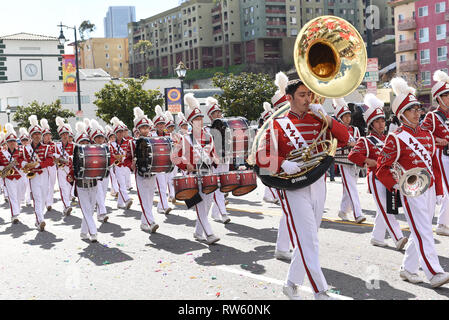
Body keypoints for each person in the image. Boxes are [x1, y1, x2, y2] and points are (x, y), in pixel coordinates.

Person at [256, 78, 350, 300]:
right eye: (302, 95)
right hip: (293, 187)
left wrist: (326, 117)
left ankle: (291, 284)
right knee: (309, 240)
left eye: (309, 94)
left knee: (309, 238)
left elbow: (345, 139)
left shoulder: (318, 120)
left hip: (318, 183)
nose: (308, 99)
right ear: (289, 99)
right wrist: (282, 163)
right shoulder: (277, 124)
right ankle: (321, 291)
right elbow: (261, 156)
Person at [376, 77, 449, 288]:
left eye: (418, 108)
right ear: (401, 114)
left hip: (428, 188)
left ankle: (408, 268)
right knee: (424, 230)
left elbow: (433, 164)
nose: (418, 112)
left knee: (421, 229)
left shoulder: (426, 135)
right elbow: (382, 168)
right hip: (411, 190)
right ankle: (434, 272)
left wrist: (438, 191)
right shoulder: (396, 138)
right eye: (412, 109)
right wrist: (398, 185)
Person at [348, 93, 408, 250]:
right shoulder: (366, 140)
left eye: (383, 120)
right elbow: (353, 155)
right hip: (375, 178)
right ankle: (398, 238)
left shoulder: (389, 138)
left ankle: (377, 237)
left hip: (390, 177)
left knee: (385, 208)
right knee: (386, 209)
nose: (381, 124)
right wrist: (369, 161)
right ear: (371, 124)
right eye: (377, 122)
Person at [171, 93, 221, 245]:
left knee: (207, 205)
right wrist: (186, 164)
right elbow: (173, 157)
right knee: (200, 205)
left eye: (200, 118)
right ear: (191, 122)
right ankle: (210, 234)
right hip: (193, 176)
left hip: (208, 175)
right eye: (195, 119)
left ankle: (198, 232)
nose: (199, 121)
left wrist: (216, 160)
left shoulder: (209, 137)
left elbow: (214, 156)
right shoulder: (184, 138)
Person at [421, 70, 449, 236]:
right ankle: (442, 224)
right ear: (439, 98)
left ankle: (444, 223)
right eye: (446, 96)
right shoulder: (432, 116)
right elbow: (422, 134)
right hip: (441, 156)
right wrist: (437, 140)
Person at [333, 98, 366, 224]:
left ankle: (343, 210)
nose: (348, 119)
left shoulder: (355, 130)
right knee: (351, 187)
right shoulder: (336, 130)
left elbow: (360, 144)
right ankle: (358, 213)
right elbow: (333, 147)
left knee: (350, 188)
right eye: (344, 116)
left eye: (348, 116)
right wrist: (348, 144)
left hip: (355, 161)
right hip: (343, 161)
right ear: (340, 117)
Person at [127, 107, 159, 233]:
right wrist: (131, 164)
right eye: (142, 128)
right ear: (138, 130)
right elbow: (127, 158)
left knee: (150, 199)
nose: (145, 130)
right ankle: (151, 222)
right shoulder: (133, 143)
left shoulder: (154, 141)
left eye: (147, 127)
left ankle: (144, 223)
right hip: (140, 174)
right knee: (143, 199)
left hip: (152, 173)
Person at [68, 122, 99, 243]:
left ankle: (83, 231)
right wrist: (70, 178)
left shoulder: (94, 155)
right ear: (78, 144)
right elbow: (70, 173)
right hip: (81, 186)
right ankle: (93, 232)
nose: (85, 144)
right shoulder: (73, 157)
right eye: (82, 143)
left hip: (93, 185)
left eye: (87, 142)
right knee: (86, 209)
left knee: (90, 210)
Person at [20, 115, 52, 231]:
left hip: (44, 174)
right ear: (31, 136)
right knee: (37, 198)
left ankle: (38, 218)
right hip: (33, 176)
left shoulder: (47, 147)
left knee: (43, 197)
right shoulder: (25, 149)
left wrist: (39, 164)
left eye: (39, 134)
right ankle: (40, 220)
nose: (37, 136)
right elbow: (19, 159)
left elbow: (51, 161)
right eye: (35, 134)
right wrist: (24, 164)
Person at [205, 96, 231, 225]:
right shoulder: (207, 130)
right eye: (215, 113)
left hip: (225, 158)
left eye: (219, 112)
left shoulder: (227, 127)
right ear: (210, 116)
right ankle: (223, 213)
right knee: (217, 186)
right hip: (214, 162)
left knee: (224, 185)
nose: (219, 114)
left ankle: (215, 213)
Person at [152, 105, 172, 215]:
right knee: (162, 186)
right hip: (156, 165)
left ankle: (160, 207)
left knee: (164, 186)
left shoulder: (168, 135)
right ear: (155, 125)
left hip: (166, 164)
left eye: (163, 124)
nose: (161, 126)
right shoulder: (152, 135)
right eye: (159, 124)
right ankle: (165, 206)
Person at [0, 125, 23, 224]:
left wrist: (20, 164)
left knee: (18, 196)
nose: (12, 143)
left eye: (14, 141)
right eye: (10, 141)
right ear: (7, 143)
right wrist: (4, 169)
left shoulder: (21, 152)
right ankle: (14, 215)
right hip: (8, 177)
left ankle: (16, 210)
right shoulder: (2, 153)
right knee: (12, 196)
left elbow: (24, 162)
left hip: (20, 177)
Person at [109, 117, 133, 210]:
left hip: (126, 166)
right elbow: (111, 156)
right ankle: (127, 200)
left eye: (122, 131)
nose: (120, 133)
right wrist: (116, 159)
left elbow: (130, 153)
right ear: (115, 133)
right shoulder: (111, 144)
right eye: (118, 132)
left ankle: (120, 203)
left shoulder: (128, 142)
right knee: (121, 184)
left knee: (125, 185)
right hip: (118, 166)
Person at [90, 119, 110, 223]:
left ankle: (99, 214)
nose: (100, 139)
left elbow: (112, 159)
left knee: (103, 194)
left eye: (101, 137)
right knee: (99, 192)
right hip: (96, 174)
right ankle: (103, 212)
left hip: (105, 173)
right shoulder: (91, 148)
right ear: (94, 139)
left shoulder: (107, 147)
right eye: (97, 138)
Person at [54, 117, 75, 216]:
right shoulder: (56, 145)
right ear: (60, 136)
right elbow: (54, 157)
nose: (65, 136)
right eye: (63, 134)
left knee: (69, 187)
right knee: (63, 187)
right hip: (61, 168)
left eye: (66, 134)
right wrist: (58, 159)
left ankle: (66, 205)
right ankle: (66, 206)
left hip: (70, 169)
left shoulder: (73, 145)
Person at [40, 118, 57, 212]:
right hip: (44, 167)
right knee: (45, 185)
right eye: (46, 135)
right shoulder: (40, 145)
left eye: (49, 135)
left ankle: (49, 201)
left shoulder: (54, 144)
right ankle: (47, 202)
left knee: (52, 184)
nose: (48, 137)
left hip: (53, 166)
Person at [18, 128, 31, 207]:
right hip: (22, 169)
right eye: (23, 140)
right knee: (22, 184)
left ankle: (28, 200)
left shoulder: (31, 148)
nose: (24, 141)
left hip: (30, 168)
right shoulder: (19, 149)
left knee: (28, 184)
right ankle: (22, 198)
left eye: (26, 140)